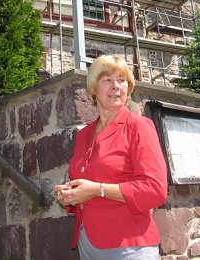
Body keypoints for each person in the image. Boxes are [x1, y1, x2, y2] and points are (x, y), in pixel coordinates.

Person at [54, 54, 168, 259]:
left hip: (128, 246)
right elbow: (86, 182)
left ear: (129, 88)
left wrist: (97, 190)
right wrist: (70, 196)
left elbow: (155, 190)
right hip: (87, 244)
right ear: (93, 89)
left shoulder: (139, 127)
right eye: (107, 80)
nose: (115, 86)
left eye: (121, 80)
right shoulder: (83, 135)